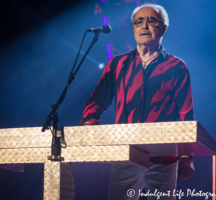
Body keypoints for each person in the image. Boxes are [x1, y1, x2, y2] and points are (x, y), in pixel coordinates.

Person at [80, 3, 195, 200]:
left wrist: (186, 156)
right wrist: (88, 129)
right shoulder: (117, 64)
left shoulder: (177, 66)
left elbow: (186, 114)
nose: (144, 26)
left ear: (163, 28)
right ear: (133, 28)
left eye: (151, 21)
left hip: (164, 158)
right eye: (138, 21)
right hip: (125, 154)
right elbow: (97, 100)